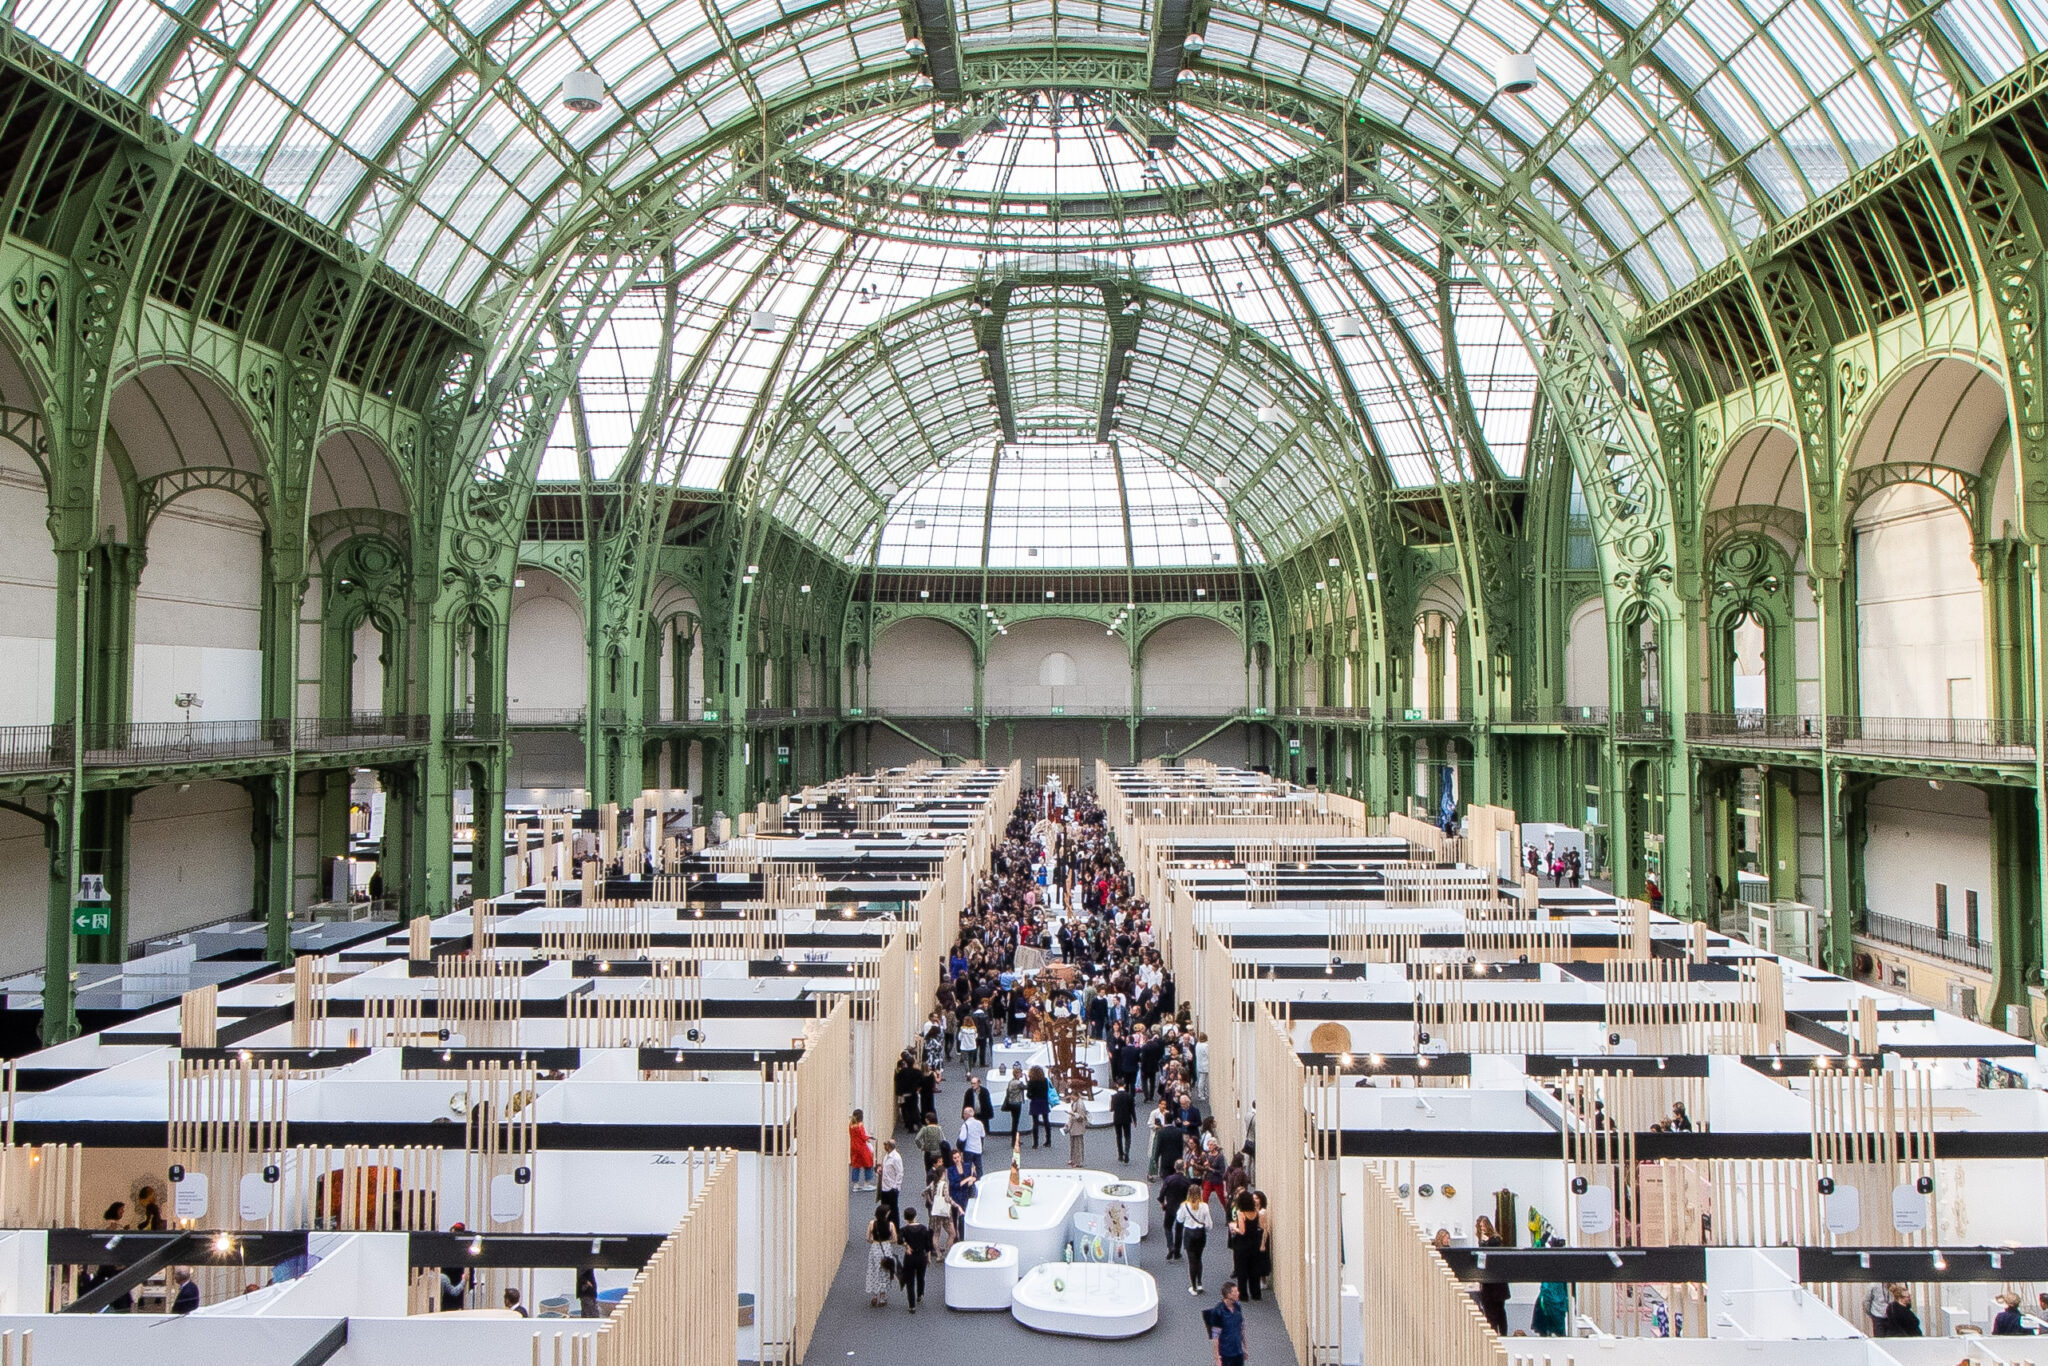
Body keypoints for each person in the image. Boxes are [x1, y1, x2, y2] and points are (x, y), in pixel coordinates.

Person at [1471, 1215, 1508, 1333]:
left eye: (1484, 1226)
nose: (1482, 1229)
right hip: (1488, 1283)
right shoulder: (1483, 1242)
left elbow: (1490, 1249)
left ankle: (1502, 1333)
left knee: (1499, 1311)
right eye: (1480, 1227)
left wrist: (1484, 1242)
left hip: (1497, 1283)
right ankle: (1494, 1333)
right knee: (1490, 1311)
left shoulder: (1495, 1240)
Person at [1178, 1183, 1214, 1295]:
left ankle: (1193, 1287)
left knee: (1192, 1261)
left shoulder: (1184, 1206)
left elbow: (1179, 1219)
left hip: (1189, 1234)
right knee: (1199, 1259)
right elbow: (1209, 1224)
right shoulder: (1204, 1206)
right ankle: (1199, 1283)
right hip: (1200, 1234)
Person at [895, 1207, 934, 1313]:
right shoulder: (923, 1228)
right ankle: (920, 1294)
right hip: (921, 1256)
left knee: (910, 1281)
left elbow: (899, 1240)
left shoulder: (904, 1230)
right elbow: (928, 1245)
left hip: (910, 1257)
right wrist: (928, 1258)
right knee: (921, 1277)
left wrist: (906, 1245)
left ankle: (912, 1306)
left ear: (905, 1218)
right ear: (915, 1216)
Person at [1228, 1192, 1261, 1300]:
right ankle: (1256, 1293)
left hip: (1242, 1244)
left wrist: (1234, 1227)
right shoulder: (1256, 1211)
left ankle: (1243, 1295)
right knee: (1254, 1269)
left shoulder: (1241, 1213)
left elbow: (1242, 1231)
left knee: (1242, 1269)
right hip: (1254, 1243)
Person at [1207, 1280, 1247, 1366]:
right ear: (1229, 1295)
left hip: (1238, 1351)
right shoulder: (1218, 1312)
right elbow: (1215, 1336)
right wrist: (1217, 1357)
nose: (1238, 1293)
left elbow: (1241, 1327)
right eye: (1235, 1292)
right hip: (1225, 1354)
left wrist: (1244, 1347)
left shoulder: (1237, 1306)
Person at [864, 1203, 897, 1307]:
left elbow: (867, 1238)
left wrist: (874, 1242)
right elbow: (895, 1239)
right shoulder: (891, 1224)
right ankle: (883, 1297)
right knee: (885, 1272)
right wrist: (887, 1242)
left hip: (875, 1248)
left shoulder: (872, 1223)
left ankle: (875, 1295)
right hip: (886, 1249)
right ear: (886, 1214)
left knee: (874, 1271)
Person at [1159, 1160, 1191, 1261]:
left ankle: (1170, 1246)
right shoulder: (1187, 1181)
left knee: (1167, 1227)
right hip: (1182, 1208)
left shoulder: (1169, 1179)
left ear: (1175, 1167)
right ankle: (1177, 1252)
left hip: (1170, 1206)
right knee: (1179, 1229)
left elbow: (1162, 1193)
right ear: (1183, 1168)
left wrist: (1162, 1204)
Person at [943, 1148, 976, 1241]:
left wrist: (971, 1180)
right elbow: (954, 1185)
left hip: (965, 1194)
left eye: (958, 1157)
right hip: (955, 1195)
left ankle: (962, 1236)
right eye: (955, 1158)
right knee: (954, 1215)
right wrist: (967, 1179)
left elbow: (973, 1177)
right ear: (952, 1159)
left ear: (961, 1156)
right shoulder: (950, 1170)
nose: (957, 1159)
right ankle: (955, 1235)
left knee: (962, 1216)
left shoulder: (967, 1165)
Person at [1110, 1078, 1137, 1163]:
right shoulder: (1129, 1096)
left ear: (1117, 1085)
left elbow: (1112, 1109)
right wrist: (1134, 1120)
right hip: (1127, 1119)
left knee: (1119, 1136)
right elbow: (1132, 1109)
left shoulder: (1114, 1097)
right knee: (1127, 1136)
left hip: (1117, 1119)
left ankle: (1120, 1154)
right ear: (1124, 1085)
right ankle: (1127, 1152)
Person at [957, 1103, 987, 1178]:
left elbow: (962, 1138)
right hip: (978, 1149)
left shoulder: (965, 1125)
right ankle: (980, 1180)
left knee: (967, 1168)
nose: (963, 1115)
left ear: (966, 1115)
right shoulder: (979, 1123)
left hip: (968, 1149)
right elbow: (983, 1135)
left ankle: (968, 1181)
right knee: (979, 1167)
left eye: (964, 1114)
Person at [849, 1109, 875, 1191]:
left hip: (854, 1147)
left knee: (855, 1165)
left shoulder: (851, 1125)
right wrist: (869, 1137)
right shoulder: (860, 1126)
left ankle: (855, 1184)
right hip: (861, 1147)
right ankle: (867, 1183)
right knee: (868, 1164)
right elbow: (863, 1137)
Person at [1026, 1066, 1052, 1148]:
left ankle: (1035, 1143)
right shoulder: (1045, 1080)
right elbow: (1047, 1090)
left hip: (1035, 1102)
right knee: (1046, 1121)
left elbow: (1028, 1095)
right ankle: (1048, 1140)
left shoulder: (1031, 1082)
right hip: (1044, 1101)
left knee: (1035, 1123)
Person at [877, 1138, 903, 1221]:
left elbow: (900, 1173)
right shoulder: (886, 1156)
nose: (884, 1147)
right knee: (884, 1209)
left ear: (888, 1147)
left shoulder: (896, 1158)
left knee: (893, 1210)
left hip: (892, 1188)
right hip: (884, 1186)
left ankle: (895, 1226)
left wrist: (895, 1187)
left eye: (885, 1145)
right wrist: (880, 1169)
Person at [1001, 1070, 1025, 1139]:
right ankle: (1014, 1139)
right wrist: (1027, 1079)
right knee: (1015, 1122)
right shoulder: (1019, 1083)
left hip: (1011, 1102)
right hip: (1017, 1103)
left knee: (1014, 1121)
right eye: (1020, 1073)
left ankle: (1014, 1138)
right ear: (1017, 1074)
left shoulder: (1011, 1082)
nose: (1022, 1074)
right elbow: (1026, 1087)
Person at [1066, 1098, 1087, 1168]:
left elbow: (1081, 1117)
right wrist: (1068, 1123)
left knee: (1078, 1145)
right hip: (1073, 1127)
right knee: (1073, 1144)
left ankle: (1079, 1162)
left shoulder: (1080, 1104)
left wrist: (1073, 1114)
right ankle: (1073, 1159)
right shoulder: (1074, 1102)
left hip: (1078, 1127)